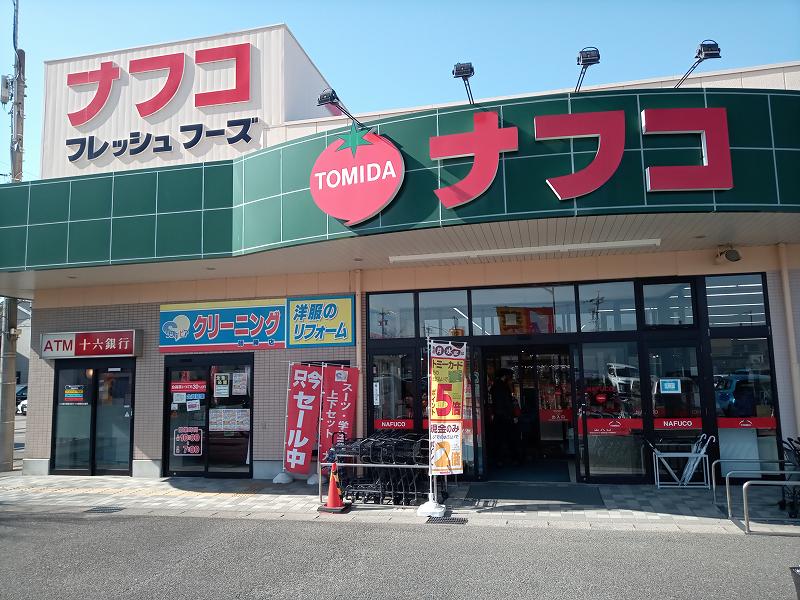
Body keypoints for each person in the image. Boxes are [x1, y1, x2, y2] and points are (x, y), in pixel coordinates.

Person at [490, 368, 517, 466]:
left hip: (497, 415)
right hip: (506, 415)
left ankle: (499, 459)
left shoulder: (494, 386)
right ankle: (511, 458)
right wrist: (513, 415)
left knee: (498, 438)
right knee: (509, 436)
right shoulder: (504, 387)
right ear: (505, 376)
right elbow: (507, 402)